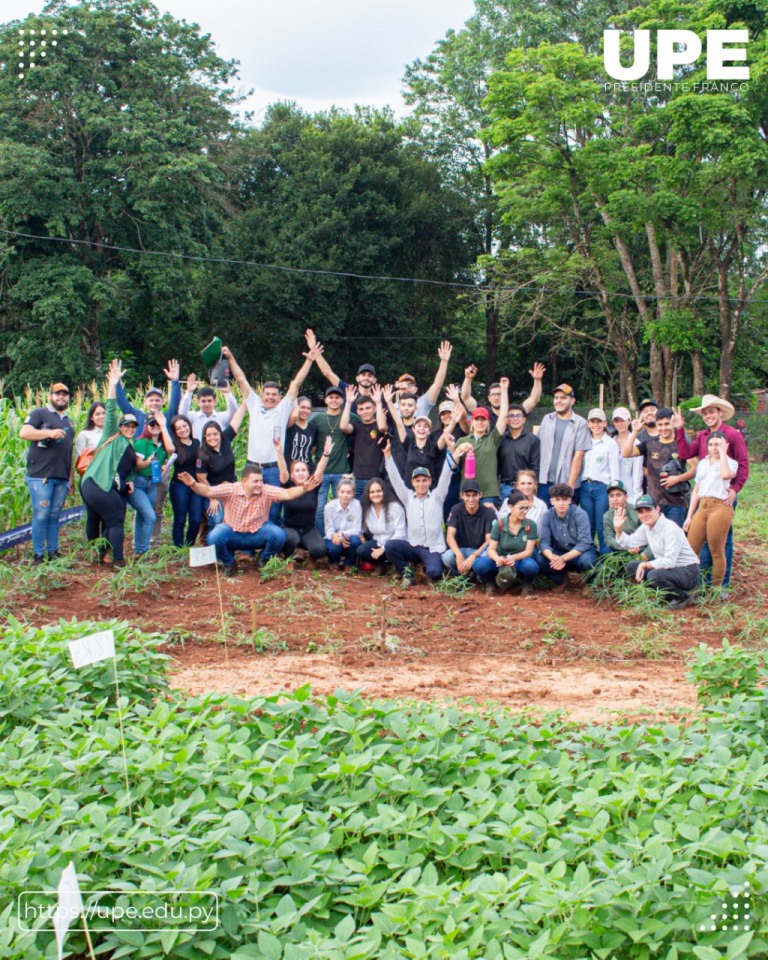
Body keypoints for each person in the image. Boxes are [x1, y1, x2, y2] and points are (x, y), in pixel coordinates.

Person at [222, 340, 321, 521]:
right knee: (250, 506)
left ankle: (272, 546)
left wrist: (309, 361)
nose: (270, 397)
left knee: (274, 510)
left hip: (274, 469)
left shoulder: (282, 410)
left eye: (274, 394)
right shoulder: (253, 404)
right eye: (267, 394)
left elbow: (296, 384)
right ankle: (250, 545)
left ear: (279, 396)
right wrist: (230, 358)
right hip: (252, 467)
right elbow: (241, 379)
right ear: (262, 395)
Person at [177, 466, 321, 575]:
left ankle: (263, 558)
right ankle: (229, 562)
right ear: (244, 481)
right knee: (214, 536)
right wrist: (193, 484)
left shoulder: (265, 490)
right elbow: (208, 491)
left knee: (278, 535)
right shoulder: (231, 489)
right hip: (233, 533)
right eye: (256, 481)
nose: (260, 484)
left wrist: (304, 488)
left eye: (261, 481)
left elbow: (287, 493)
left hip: (257, 534)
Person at [81, 360, 153, 567]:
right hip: (96, 482)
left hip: (112, 486)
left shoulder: (129, 446)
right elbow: (111, 409)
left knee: (110, 519)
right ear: (120, 426)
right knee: (116, 519)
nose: (130, 428)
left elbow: (127, 469)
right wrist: (113, 383)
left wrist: (130, 479)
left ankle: (101, 555)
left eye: (133, 426)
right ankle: (119, 561)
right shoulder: (111, 434)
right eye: (126, 425)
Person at [673, 394, 749, 591]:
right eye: (705, 413)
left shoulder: (732, 435)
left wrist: (735, 488)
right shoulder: (702, 436)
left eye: (711, 412)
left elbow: (743, 464)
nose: (708, 416)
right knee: (700, 541)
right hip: (704, 495)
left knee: (723, 542)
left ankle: (721, 586)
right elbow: (685, 454)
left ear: (720, 412)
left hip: (723, 496)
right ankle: (703, 582)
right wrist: (679, 429)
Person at [115, 358, 181, 548]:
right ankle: (140, 542)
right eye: (151, 399)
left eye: (158, 399)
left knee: (157, 507)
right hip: (138, 472)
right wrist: (117, 383)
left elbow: (175, 404)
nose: (154, 402)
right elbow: (122, 403)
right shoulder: (137, 416)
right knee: (143, 509)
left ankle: (155, 540)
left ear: (162, 402)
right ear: (145, 402)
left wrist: (175, 382)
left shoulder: (165, 417)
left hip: (160, 471)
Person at [383, 440, 455, 588]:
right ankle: (407, 573)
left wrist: (451, 452)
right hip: (414, 546)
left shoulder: (437, 496)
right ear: (413, 482)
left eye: (424, 480)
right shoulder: (407, 497)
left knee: (434, 573)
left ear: (429, 481)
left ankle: (428, 568)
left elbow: (446, 476)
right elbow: (395, 479)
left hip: (433, 548)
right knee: (390, 546)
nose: (421, 484)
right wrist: (388, 456)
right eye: (418, 481)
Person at [19, 381, 76, 563]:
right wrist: (49, 434)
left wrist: (71, 477)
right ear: (50, 396)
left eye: (65, 394)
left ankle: (53, 552)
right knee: (42, 516)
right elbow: (24, 432)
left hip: (61, 477)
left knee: (54, 516)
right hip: (40, 476)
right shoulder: (40, 413)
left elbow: (69, 451)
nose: (61, 397)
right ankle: (38, 555)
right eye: (58, 394)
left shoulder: (69, 421)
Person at [614, 494, 700, 609]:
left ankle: (682, 597)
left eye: (648, 510)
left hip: (688, 571)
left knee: (654, 575)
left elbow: (670, 561)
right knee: (632, 567)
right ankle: (666, 595)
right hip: (669, 570)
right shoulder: (647, 527)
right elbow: (630, 542)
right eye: (641, 512)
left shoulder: (670, 528)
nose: (645, 515)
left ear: (657, 509)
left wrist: (645, 565)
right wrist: (618, 530)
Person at [621, 408, 695, 528]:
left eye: (667, 424)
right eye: (660, 424)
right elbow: (625, 453)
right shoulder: (649, 444)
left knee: (673, 538)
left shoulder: (681, 444)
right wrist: (634, 432)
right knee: (656, 539)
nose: (663, 428)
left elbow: (694, 469)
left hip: (677, 502)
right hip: (654, 504)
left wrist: (677, 479)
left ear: (673, 423)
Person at [684, 432, 738, 588]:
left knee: (716, 550)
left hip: (720, 506)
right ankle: (693, 587)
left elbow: (726, 475)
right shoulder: (702, 463)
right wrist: (689, 516)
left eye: (718, 444)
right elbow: (696, 491)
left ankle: (715, 590)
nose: (714, 448)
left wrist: (723, 454)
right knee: (691, 549)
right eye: (711, 444)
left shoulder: (730, 462)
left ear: (725, 445)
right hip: (703, 506)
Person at [452, 377, 510, 508]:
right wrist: (459, 449)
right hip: (467, 492)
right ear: (471, 422)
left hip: (488, 493)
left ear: (488, 422)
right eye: (477, 419)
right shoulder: (462, 440)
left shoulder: (493, 438)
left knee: (488, 527)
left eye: (483, 420)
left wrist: (504, 390)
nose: (480, 422)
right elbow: (453, 465)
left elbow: (503, 416)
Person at [277, 436, 333, 563]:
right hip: (290, 528)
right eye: (297, 471)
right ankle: (289, 555)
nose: (301, 473)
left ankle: (302, 550)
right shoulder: (288, 486)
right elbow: (283, 470)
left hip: (308, 530)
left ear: (308, 474)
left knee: (319, 550)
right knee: (292, 539)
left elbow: (319, 470)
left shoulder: (312, 486)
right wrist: (279, 453)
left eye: (304, 470)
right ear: (292, 475)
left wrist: (326, 453)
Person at [195, 402, 248, 531]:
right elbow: (201, 479)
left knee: (235, 519)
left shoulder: (225, 439)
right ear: (205, 437)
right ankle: (213, 545)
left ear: (220, 434)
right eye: (209, 435)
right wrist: (212, 498)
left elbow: (237, 419)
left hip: (232, 487)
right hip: (213, 490)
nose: (213, 437)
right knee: (217, 520)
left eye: (215, 434)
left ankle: (231, 547)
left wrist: (247, 400)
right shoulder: (202, 455)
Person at [537, 385, 592, 507]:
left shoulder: (580, 423)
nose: (558, 401)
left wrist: (570, 485)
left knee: (566, 522)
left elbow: (578, 456)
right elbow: (537, 446)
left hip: (566, 483)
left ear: (572, 401)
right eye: (556, 398)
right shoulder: (547, 419)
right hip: (544, 482)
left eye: (563, 398)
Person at [537, 483, 597, 590]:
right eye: (558, 499)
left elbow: (585, 543)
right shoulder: (547, 515)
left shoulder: (580, 514)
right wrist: (552, 557)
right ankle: (561, 580)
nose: (561, 503)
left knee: (588, 561)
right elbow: (544, 542)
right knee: (540, 559)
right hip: (560, 552)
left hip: (580, 553)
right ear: (552, 501)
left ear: (569, 500)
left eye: (564, 499)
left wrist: (562, 558)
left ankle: (589, 584)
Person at [130, 411, 175, 556]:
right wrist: (148, 462)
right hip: (140, 483)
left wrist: (163, 426)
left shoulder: (161, 445)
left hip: (153, 484)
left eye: (157, 424)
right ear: (146, 426)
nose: (155, 426)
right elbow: (137, 466)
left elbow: (171, 450)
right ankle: (143, 549)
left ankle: (138, 550)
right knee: (150, 516)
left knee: (143, 516)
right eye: (152, 424)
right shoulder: (142, 442)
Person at [311, 385, 354, 534]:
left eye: (337, 397)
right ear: (326, 400)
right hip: (321, 471)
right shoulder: (317, 418)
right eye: (331, 397)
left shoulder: (348, 415)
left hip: (341, 471)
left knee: (342, 507)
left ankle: (341, 537)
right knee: (320, 507)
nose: (334, 400)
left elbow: (363, 425)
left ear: (342, 400)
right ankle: (322, 537)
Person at [441, 480, 497, 593]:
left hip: (481, 551)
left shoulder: (488, 512)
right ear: (462, 495)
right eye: (467, 495)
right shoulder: (456, 509)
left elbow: (489, 540)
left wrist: (474, 556)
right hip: (463, 550)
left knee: (487, 557)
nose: (471, 499)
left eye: (474, 495)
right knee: (447, 557)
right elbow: (450, 536)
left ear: (480, 495)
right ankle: (462, 576)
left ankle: (486, 579)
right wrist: (458, 554)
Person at [580, 409, 620, 554]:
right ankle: (588, 555)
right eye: (592, 421)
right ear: (588, 423)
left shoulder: (610, 444)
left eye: (599, 421)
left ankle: (605, 556)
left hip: (602, 488)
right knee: (588, 524)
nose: (595, 425)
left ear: (604, 423)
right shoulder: (584, 441)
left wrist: (613, 494)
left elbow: (615, 471)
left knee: (602, 525)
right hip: (585, 487)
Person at [461, 362, 546, 429]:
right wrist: (468, 378)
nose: (496, 397)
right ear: (489, 398)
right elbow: (465, 397)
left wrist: (537, 380)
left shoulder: (514, 411)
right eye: (493, 395)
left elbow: (534, 399)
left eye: (499, 394)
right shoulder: (483, 411)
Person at [487, 490, 540, 598]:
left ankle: (527, 584)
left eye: (527, 508)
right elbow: (491, 549)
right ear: (510, 507)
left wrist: (514, 557)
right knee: (480, 565)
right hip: (502, 559)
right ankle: (490, 583)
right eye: (521, 508)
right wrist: (498, 559)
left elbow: (529, 551)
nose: (525, 511)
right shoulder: (500, 524)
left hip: (520, 559)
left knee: (531, 566)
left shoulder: (531, 525)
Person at [339, 386, 387, 500]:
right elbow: (343, 426)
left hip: (377, 477)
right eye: (361, 409)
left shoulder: (378, 425)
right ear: (357, 411)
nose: (365, 411)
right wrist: (348, 403)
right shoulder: (356, 426)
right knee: (359, 512)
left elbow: (382, 427)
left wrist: (379, 403)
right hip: (358, 478)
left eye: (368, 408)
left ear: (374, 409)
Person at [357, 478, 407, 573]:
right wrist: (361, 536)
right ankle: (381, 564)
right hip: (378, 542)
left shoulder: (395, 507)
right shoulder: (367, 509)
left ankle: (400, 569)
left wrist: (383, 548)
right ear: (368, 494)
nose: (376, 494)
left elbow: (401, 533)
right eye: (372, 492)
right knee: (362, 550)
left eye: (378, 491)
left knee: (391, 548)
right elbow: (360, 528)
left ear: (384, 491)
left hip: (395, 545)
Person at [75, 402, 107, 550]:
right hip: (90, 480)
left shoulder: (114, 433)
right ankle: (94, 549)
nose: (101, 416)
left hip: (108, 480)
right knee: (93, 515)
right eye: (97, 414)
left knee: (107, 516)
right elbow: (80, 460)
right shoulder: (85, 435)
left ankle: (105, 549)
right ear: (92, 418)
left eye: (104, 413)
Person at [168, 414, 203, 548]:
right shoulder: (174, 446)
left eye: (184, 425)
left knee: (195, 519)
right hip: (179, 486)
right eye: (178, 428)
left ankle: (188, 546)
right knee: (180, 519)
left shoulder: (196, 443)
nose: (183, 430)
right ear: (175, 432)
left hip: (195, 486)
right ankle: (178, 548)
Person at [498, 403, 541, 503]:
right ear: (507, 420)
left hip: (525, 487)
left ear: (524, 419)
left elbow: (535, 466)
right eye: (511, 416)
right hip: (505, 488)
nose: (515, 419)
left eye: (518, 415)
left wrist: (532, 487)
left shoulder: (533, 439)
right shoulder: (501, 439)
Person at [179, 373, 239, 440]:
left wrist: (227, 393)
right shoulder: (193, 417)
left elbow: (235, 412)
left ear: (215, 401)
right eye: (203, 401)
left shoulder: (222, 417)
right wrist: (189, 392)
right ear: (198, 402)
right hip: (199, 450)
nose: (207, 404)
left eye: (209, 401)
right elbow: (182, 414)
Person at [323, 477, 363, 569]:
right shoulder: (329, 507)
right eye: (342, 492)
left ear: (353, 494)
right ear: (337, 492)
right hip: (334, 537)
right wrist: (336, 536)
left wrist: (343, 534)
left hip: (349, 536)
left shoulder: (357, 505)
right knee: (334, 547)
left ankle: (349, 563)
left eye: (349, 492)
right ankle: (334, 562)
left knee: (355, 541)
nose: (345, 495)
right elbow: (329, 529)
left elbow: (357, 529)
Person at [602, 480, 650, 556]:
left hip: (639, 548)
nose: (615, 499)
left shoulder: (637, 511)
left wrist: (637, 548)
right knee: (604, 552)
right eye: (611, 496)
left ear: (626, 496)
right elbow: (609, 539)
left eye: (618, 495)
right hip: (620, 548)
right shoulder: (607, 516)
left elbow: (649, 535)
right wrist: (625, 547)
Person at [611, 407, 643, 504]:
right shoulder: (609, 442)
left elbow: (637, 473)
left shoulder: (636, 443)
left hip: (630, 494)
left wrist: (636, 496)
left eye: (623, 420)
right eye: (616, 421)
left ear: (629, 421)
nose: (619, 424)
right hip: (612, 492)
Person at [285, 395, 319, 468]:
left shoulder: (313, 428)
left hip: (307, 469)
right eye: (303, 407)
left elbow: (313, 449)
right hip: (289, 469)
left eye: (308, 408)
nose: (306, 411)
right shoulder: (288, 425)